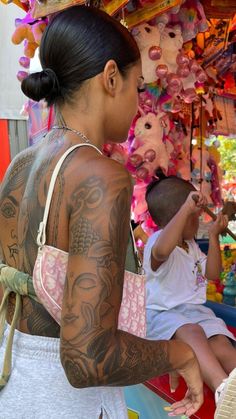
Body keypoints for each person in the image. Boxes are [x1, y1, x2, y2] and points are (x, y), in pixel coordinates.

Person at [0, 5, 203, 418]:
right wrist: (179, 354)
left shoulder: (21, 164)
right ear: (111, 78)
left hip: (15, 385)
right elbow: (88, 358)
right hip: (64, 404)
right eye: (137, 87)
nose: (136, 104)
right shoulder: (100, 176)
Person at [144, 175, 236, 418]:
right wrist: (186, 208)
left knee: (221, 343)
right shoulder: (158, 241)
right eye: (195, 216)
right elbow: (162, 251)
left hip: (195, 315)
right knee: (192, 330)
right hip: (164, 317)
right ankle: (223, 390)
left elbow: (214, 274)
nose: (198, 219)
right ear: (180, 215)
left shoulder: (192, 246)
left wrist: (214, 236)